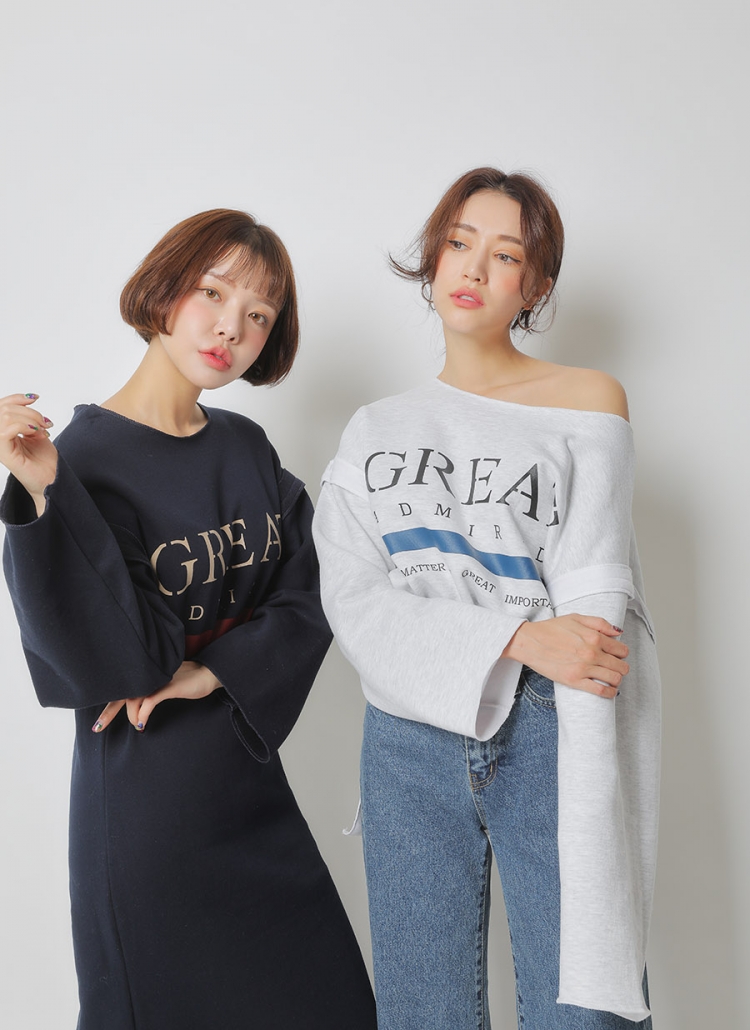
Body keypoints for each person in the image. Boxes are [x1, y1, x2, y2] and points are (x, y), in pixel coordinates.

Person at [0, 209, 376, 1030]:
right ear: (164, 290)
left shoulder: (246, 447)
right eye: (213, 292)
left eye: (258, 315)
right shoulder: (83, 461)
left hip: (251, 793)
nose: (230, 327)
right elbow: (125, 662)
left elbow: (315, 591)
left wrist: (214, 670)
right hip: (148, 811)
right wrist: (43, 490)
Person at [313, 168, 661, 1029]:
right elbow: (353, 599)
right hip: (405, 737)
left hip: (550, 724)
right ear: (433, 258)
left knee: (584, 1007)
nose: (473, 267)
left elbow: (592, 610)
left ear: (534, 286)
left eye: (505, 255)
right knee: (420, 1012)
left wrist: (546, 655)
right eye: (459, 242)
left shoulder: (587, 401)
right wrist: (516, 636)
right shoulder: (373, 429)